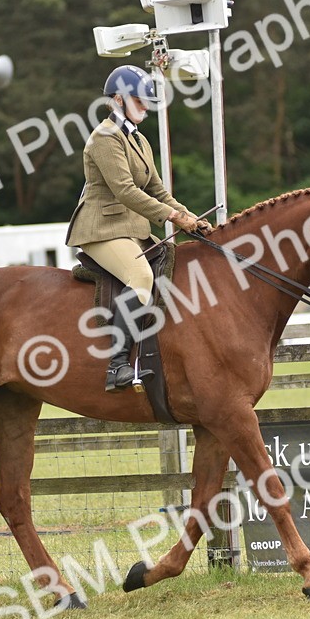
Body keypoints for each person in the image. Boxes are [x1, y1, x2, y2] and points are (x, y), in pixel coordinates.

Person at [66, 64, 213, 392]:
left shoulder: (139, 140)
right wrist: (174, 219)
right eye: (139, 100)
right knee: (142, 278)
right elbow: (126, 191)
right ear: (118, 99)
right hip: (101, 228)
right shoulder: (104, 137)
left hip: (131, 228)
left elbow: (158, 191)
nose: (145, 106)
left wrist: (192, 218)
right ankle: (117, 365)